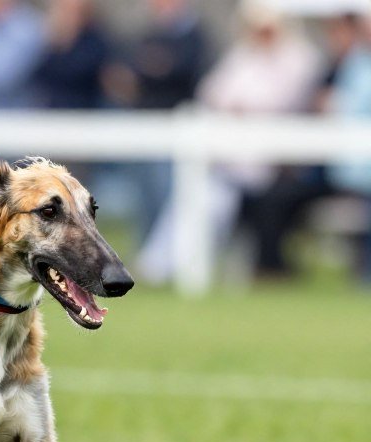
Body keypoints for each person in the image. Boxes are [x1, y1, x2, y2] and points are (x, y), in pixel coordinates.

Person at [137, 1, 321, 284]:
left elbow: (282, 101)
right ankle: (163, 265)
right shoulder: (244, 55)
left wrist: (242, 107)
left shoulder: (298, 58)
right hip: (229, 159)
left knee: (208, 197)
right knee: (199, 199)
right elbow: (210, 92)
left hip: (272, 162)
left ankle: (167, 267)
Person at [250, 13, 371, 280]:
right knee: (271, 198)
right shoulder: (344, 66)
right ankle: (273, 272)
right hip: (334, 170)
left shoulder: (355, 67)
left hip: (356, 173)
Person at [104, 0, 209, 253]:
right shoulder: (149, 33)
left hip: (173, 128)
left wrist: (155, 69)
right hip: (142, 124)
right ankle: (148, 254)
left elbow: (182, 74)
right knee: (144, 198)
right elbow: (128, 70)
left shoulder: (194, 36)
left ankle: (169, 256)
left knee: (168, 198)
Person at [29, 0, 109, 110]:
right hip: (50, 110)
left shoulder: (95, 42)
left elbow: (77, 72)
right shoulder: (48, 41)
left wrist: (65, 41)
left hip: (84, 111)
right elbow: (38, 73)